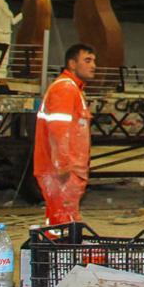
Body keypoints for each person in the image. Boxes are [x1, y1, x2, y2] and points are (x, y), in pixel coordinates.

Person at [33, 43, 96, 225]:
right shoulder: (65, 88)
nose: (93, 65)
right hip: (62, 172)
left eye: (94, 61)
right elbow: (58, 131)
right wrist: (62, 165)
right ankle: (58, 250)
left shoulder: (73, 89)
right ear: (72, 63)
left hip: (66, 170)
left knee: (63, 220)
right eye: (87, 60)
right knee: (62, 221)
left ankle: (59, 248)